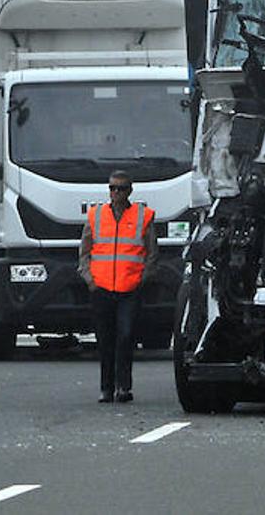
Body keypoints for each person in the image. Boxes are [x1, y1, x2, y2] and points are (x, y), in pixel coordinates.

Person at [79, 170, 157, 404]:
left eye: (121, 189)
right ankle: (106, 388)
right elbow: (84, 250)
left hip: (129, 289)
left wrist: (141, 280)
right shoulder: (96, 215)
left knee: (125, 337)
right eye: (112, 188)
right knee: (104, 340)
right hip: (101, 288)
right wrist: (89, 280)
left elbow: (152, 253)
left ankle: (123, 387)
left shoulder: (143, 216)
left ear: (129, 191)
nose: (116, 193)